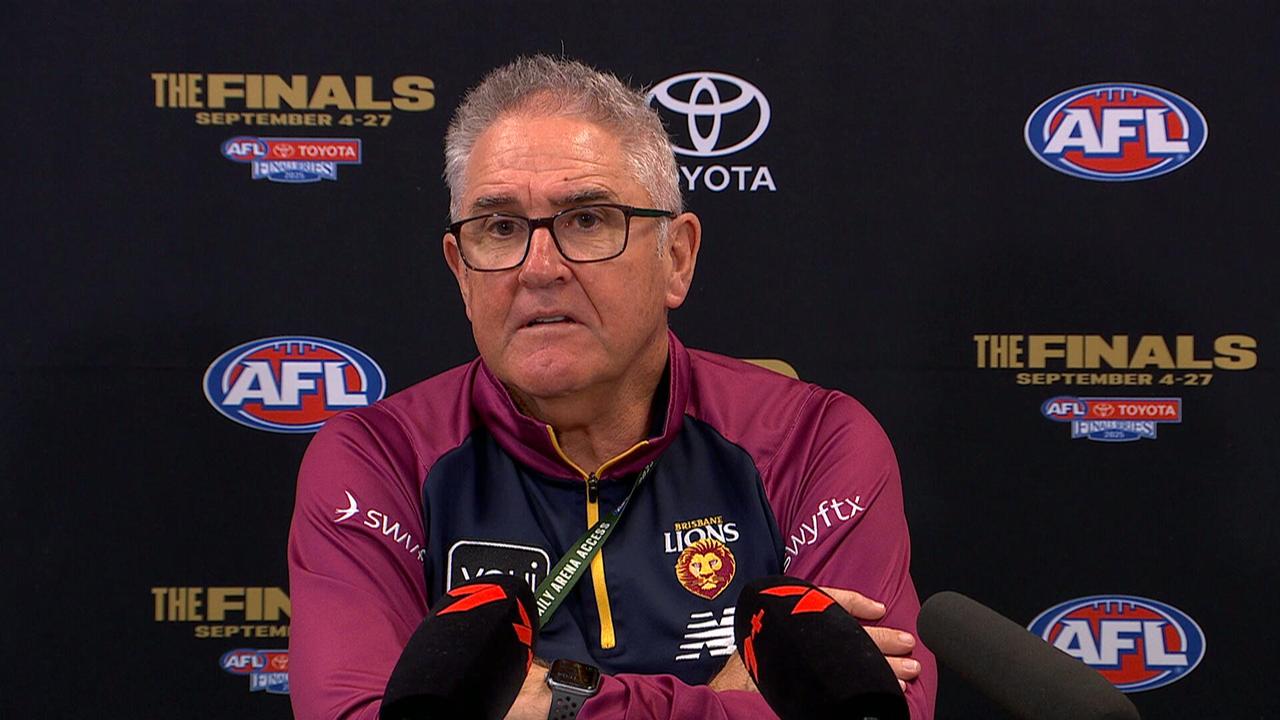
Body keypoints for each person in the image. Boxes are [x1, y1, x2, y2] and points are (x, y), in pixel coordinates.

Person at [288, 55, 936, 720]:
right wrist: (724, 699)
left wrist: (547, 703)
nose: (540, 268)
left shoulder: (813, 441)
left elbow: (879, 709)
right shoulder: (378, 459)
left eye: (588, 220)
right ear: (462, 273)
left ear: (676, 258)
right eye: (501, 228)